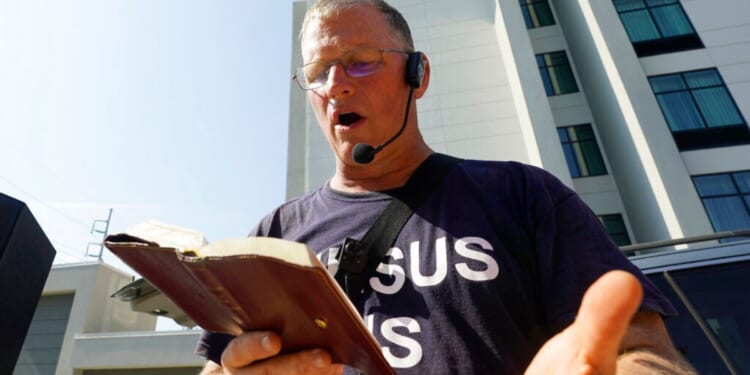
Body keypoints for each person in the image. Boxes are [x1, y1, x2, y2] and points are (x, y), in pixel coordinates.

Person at [197, 0, 696, 373]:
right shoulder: (274, 235)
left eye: (361, 60)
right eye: (318, 72)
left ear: (418, 73)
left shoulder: (521, 195)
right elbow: (219, 366)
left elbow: (646, 353)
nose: (336, 85)